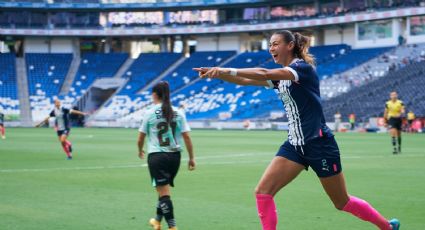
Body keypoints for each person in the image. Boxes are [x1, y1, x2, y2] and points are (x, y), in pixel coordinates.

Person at [194, 30, 399, 230]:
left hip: (320, 145)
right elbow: (246, 80)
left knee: (341, 202)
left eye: (275, 44)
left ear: (290, 45)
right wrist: (217, 74)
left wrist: (225, 70)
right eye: (270, 45)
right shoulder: (280, 77)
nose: (271, 49)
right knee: (263, 192)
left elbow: (263, 72)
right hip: (294, 145)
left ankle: (387, 227)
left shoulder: (301, 69)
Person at [137, 81, 196, 230]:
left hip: (158, 156)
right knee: (163, 189)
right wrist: (191, 157)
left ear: (155, 94)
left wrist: (140, 149)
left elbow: (140, 138)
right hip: (175, 157)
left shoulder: (150, 112)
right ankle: (157, 221)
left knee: (163, 193)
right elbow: (187, 137)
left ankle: (172, 227)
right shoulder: (178, 112)